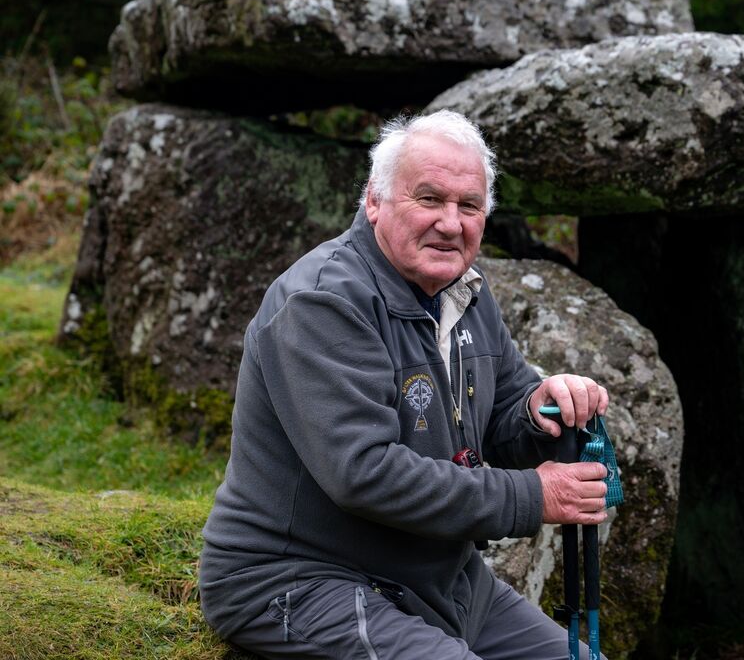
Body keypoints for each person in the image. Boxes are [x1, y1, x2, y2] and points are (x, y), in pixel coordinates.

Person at [199, 110, 611, 659]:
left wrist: (540, 410)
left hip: (442, 581)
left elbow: (503, 412)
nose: (450, 222)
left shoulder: (464, 293)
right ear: (375, 200)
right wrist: (534, 495)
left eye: (469, 206)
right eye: (429, 199)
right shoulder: (324, 301)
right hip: (299, 582)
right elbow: (364, 473)